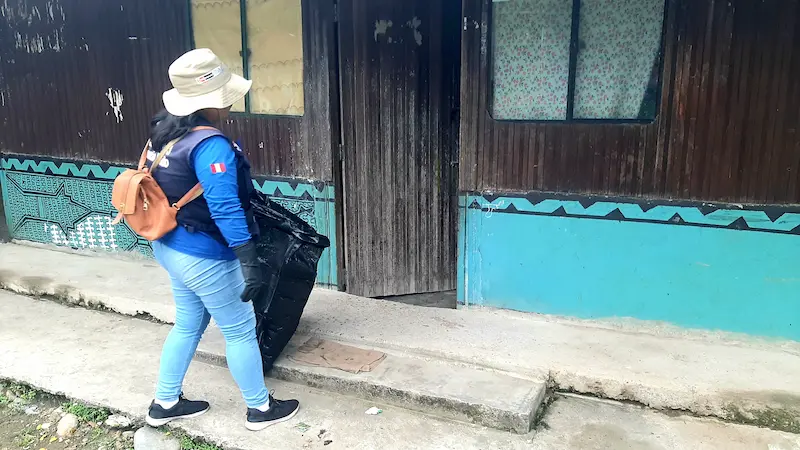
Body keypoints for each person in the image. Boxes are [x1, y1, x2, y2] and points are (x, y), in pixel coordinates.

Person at [143, 48, 299, 431]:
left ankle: (165, 402)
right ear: (208, 103)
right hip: (204, 255)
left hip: (171, 245)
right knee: (240, 329)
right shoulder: (211, 145)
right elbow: (225, 207)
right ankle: (260, 409)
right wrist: (249, 259)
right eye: (225, 97)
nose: (229, 105)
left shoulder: (163, 135)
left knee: (188, 324)